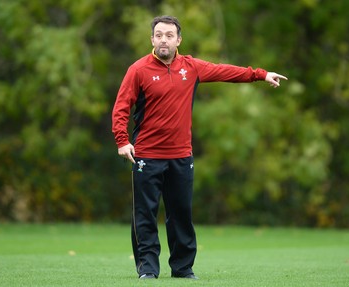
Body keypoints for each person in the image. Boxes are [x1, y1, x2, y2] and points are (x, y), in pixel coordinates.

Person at [112, 15, 287, 280]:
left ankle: (182, 269)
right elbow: (121, 106)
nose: (163, 40)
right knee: (145, 215)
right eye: (158, 35)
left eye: (169, 35)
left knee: (181, 214)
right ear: (152, 39)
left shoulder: (191, 67)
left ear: (178, 40)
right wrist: (122, 141)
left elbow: (225, 71)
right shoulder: (138, 70)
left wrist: (261, 74)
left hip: (182, 156)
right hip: (146, 156)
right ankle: (147, 269)